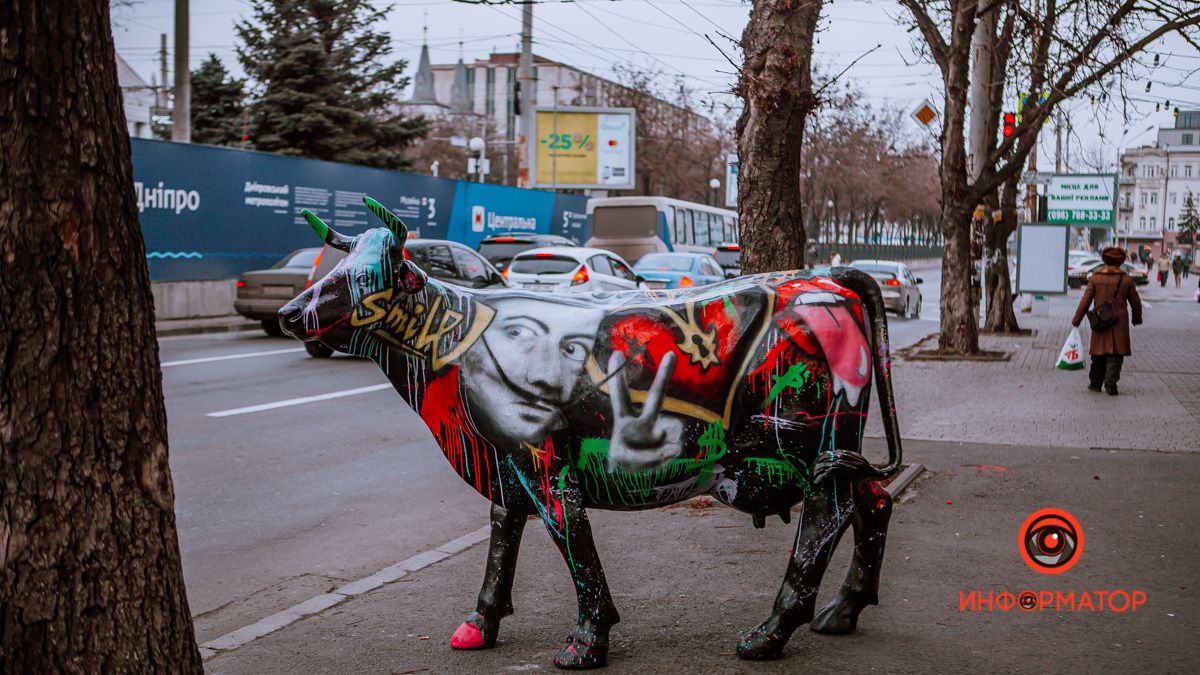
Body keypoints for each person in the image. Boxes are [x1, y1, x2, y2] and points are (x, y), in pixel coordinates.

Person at [1071, 247, 1143, 396]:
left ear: (1104, 260)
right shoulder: (1126, 279)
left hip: (1100, 321)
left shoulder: (1096, 278)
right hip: (1119, 322)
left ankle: (1095, 384)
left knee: (1098, 353)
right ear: (1121, 262)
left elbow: (1085, 301)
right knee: (1116, 354)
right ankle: (1111, 384)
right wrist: (1137, 318)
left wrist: (1076, 320)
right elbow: (1135, 302)